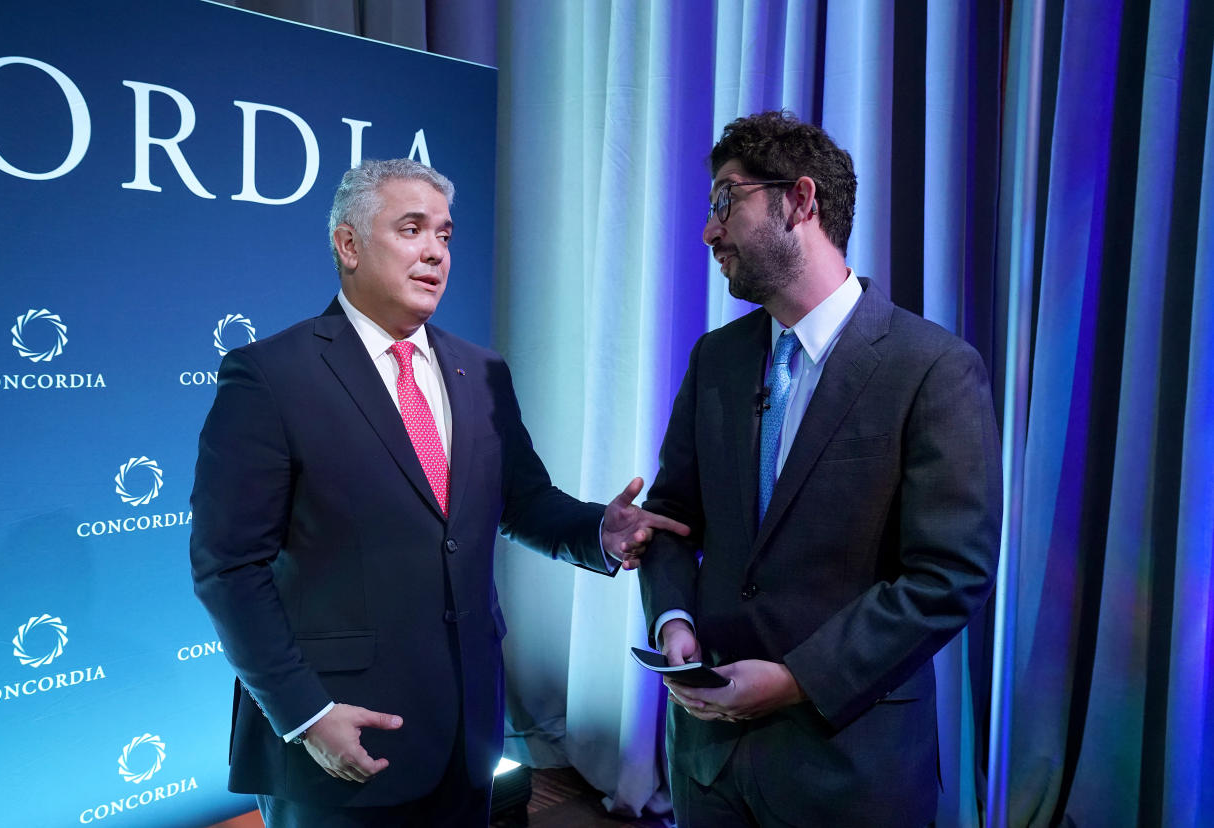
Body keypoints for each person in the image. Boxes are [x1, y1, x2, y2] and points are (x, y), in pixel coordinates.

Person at [190, 158, 688, 827]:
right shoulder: (270, 376)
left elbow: (523, 501)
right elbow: (228, 566)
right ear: (348, 244)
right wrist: (305, 713)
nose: (434, 251)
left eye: (446, 235)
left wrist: (599, 531)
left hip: (467, 733)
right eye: (412, 229)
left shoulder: (480, 371)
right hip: (340, 738)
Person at [638, 112, 1002, 827]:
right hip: (708, 762)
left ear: (800, 201)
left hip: (848, 768)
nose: (709, 231)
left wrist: (797, 680)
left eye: (724, 201)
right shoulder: (716, 359)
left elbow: (948, 575)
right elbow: (673, 517)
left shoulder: (932, 367)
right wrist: (674, 622)